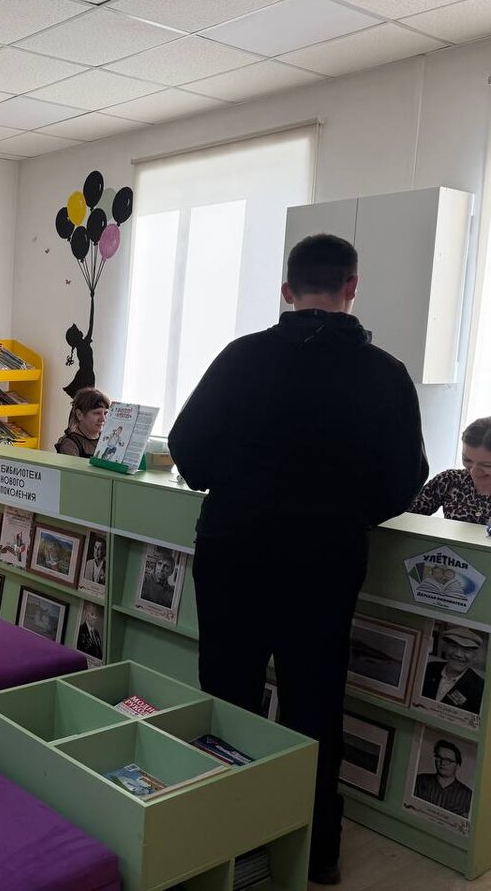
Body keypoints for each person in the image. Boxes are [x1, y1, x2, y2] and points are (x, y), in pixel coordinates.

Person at [168, 233, 428, 885]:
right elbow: (406, 481)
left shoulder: (241, 358)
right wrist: (345, 512)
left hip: (234, 549)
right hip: (325, 559)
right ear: (352, 287)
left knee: (228, 691)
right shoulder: (386, 374)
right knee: (315, 699)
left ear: (286, 291)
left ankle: (225, 835)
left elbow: (187, 450)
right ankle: (316, 852)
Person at [409, 417, 491, 526]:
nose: (474, 472)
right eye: (467, 460)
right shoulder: (450, 480)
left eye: (487, 465)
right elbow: (407, 515)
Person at [421, 626, 485, 714]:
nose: (458, 654)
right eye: (454, 646)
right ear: (445, 647)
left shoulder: (480, 688)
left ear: (475, 655)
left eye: (466, 650)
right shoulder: (430, 667)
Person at [413, 739, 473, 817]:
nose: (442, 763)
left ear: (457, 766)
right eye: (439, 758)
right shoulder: (420, 781)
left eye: (448, 760)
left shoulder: (467, 795)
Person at [55, 387, 109, 458]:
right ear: (79, 414)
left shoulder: (106, 440)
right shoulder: (70, 444)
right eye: (97, 413)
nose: (103, 419)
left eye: (105, 413)